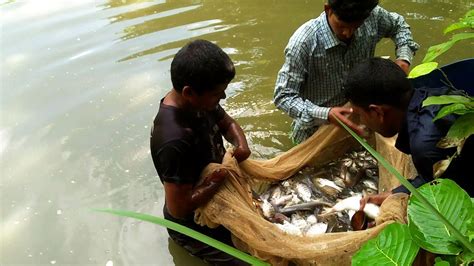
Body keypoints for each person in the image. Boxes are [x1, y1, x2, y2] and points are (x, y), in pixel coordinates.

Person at [150, 39, 251, 265]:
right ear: (189, 92)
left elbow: (227, 124)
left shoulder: (200, 101)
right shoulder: (173, 139)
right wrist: (215, 181)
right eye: (218, 94)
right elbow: (178, 207)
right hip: (192, 224)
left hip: (219, 197)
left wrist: (240, 144)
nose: (222, 98)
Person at [274, 0, 419, 144]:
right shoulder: (304, 43)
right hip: (316, 131)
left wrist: (404, 59)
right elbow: (283, 96)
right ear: (328, 9)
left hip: (363, 123)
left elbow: (399, 26)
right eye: (342, 25)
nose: (348, 33)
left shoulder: (372, 17)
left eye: (356, 26)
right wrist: (327, 113)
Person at [343, 57, 473, 208]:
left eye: (360, 115)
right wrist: (392, 195)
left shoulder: (425, 145)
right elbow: (431, 180)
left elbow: (451, 198)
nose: (362, 122)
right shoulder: (434, 95)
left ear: (377, 112)